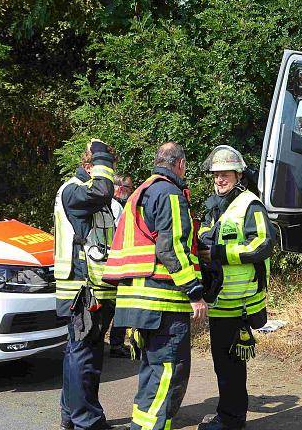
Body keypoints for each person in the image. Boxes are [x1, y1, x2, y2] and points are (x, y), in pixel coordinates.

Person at [105, 142, 208, 430]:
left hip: (137, 300)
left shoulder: (140, 191)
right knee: (168, 371)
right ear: (180, 165)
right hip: (162, 301)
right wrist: (195, 292)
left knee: (152, 370)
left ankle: (142, 424)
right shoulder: (171, 193)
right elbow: (170, 249)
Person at [196, 146, 275, 430]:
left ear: (238, 174)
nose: (219, 180)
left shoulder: (249, 204)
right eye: (216, 175)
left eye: (225, 174)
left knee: (229, 365)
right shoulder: (215, 204)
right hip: (221, 300)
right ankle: (230, 415)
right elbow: (207, 232)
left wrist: (218, 253)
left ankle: (230, 420)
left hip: (239, 301)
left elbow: (262, 244)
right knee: (225, 363)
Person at [54, 139, 123, 430]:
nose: (108, 175)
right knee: (83, 356)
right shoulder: (74, 191)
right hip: (82, 289)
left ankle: (73, 415)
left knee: (83, 354)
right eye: (100, 168)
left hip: (94, 287)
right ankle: (87, 421)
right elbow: (103, 189)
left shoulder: (91, 196)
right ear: (88, 166)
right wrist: (101, 155)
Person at [108, 174, 134, 359]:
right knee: (117, 306)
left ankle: (115, 343)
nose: (130, 192)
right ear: (119, 187)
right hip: (117, 263)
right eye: (129, 188)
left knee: (114, 306)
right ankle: (116, 344)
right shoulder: (115, 207)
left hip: (112, 263)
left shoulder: (111, 205)